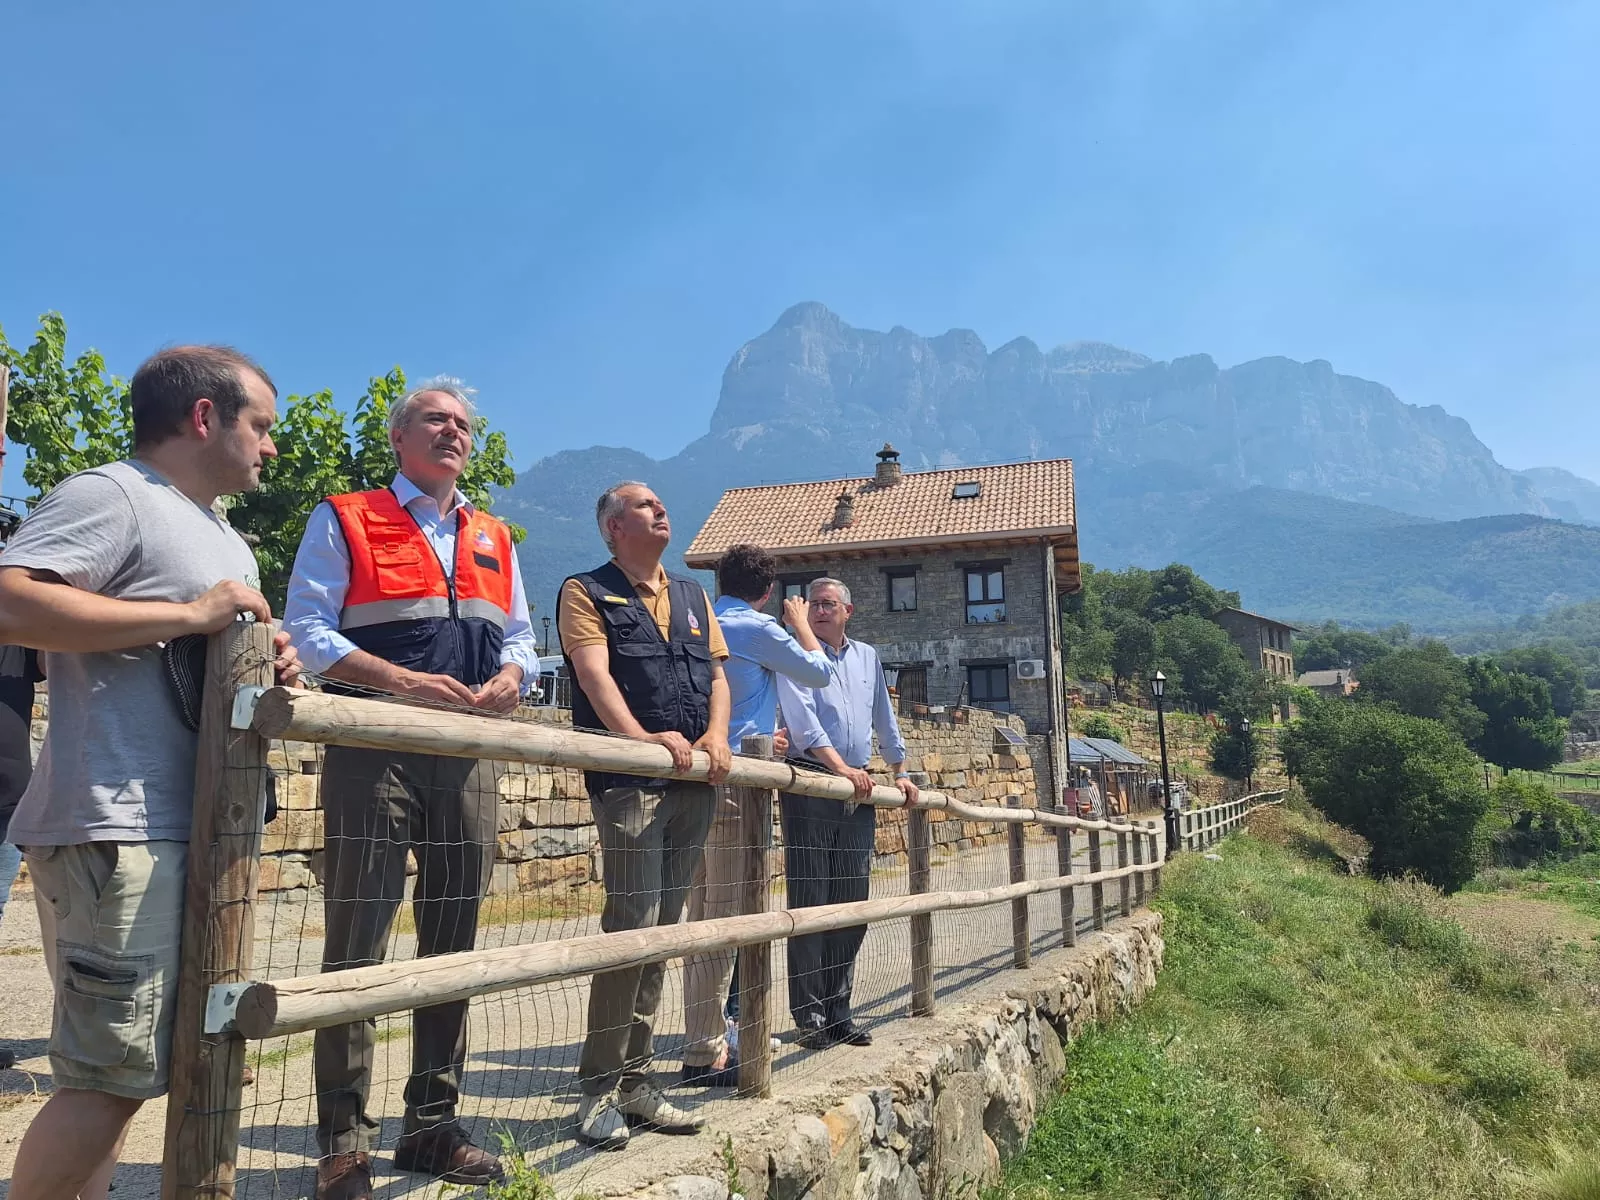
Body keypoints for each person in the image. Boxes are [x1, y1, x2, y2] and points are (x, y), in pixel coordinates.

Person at [0, 345, 299, 1200]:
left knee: (134, 1074)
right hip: (117, 826)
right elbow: (10, 601)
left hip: (184, 825)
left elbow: (194, 642)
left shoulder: (221, 534)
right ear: (204, 418)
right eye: (261, 426)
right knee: (109, 1077)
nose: (271, 447)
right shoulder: (113, 493)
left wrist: (256, 656)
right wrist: (191, 614)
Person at [282, 377, 537, 1200]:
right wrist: (398, 680)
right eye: (437, 419)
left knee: (453, 941)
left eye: (464, 422)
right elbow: (309, 630)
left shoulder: (495, 534)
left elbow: (525, 640)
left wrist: (512, 676)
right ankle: (342, 1147)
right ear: (400, 438)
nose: (454, 431)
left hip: (467, 752)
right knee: (357, 940)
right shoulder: (346, 515)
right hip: (373, 748)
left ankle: (431, 1127)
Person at [558, 481, 732, 1148]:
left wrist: (718, 738)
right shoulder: (585, 589)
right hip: (631, 780)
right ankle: (599, 1091)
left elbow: (718, 677)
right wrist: (639, 741)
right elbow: (593, 676)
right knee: (629, 925)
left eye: (663, 501)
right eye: (644, 504)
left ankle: (637, 1083)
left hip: (694, 782)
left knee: (662, 930)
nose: (661, 508)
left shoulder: (692, 594)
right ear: (613, 527)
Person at [679, 544, 830, 1087]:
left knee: (702, 910)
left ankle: (711, 1032)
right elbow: (817, 673)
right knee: (728, 914)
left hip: (695, 773)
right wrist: (797, 624)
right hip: (737, 779)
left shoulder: (696, 618)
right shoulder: (756, 627)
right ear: (767, 590)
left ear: (720, 580)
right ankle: (705, 1050)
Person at [775, 578, 918, 1050]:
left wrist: (900, 769)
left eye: (828, 604)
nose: (819, 610)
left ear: (847, 610)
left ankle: (840, 1010)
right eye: (813, 604)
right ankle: (810, 1015)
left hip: (858, 785)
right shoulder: (795, 653)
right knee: (812, 898)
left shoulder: (867, 657)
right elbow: (803, 720)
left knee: (852, 901)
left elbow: (884, 715)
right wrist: (839, 769)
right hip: (811, 781)